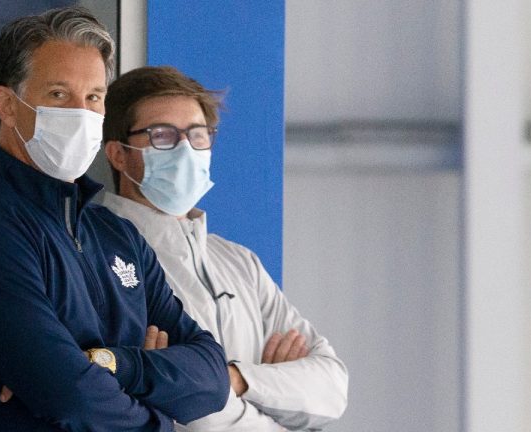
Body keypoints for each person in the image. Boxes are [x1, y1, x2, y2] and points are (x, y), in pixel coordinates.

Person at [0, 9, 229, 431]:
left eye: (94, 97)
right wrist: (159, 411)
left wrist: (115, 364)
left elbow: (211, 379)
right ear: (7, 105)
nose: (82, 114)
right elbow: (72, 398)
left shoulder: (115, 234)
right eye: (60, 95)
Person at [100, 66, 349, 431]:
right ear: (118, 154)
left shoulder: (238, 262)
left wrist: (236, 379)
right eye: (162, 136)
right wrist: (276, 392)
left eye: (198, 135)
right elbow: (192, 421)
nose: (186, 149)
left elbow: (331, 389)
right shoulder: (101, 257)